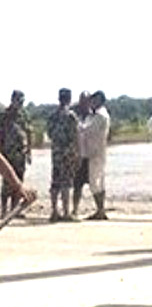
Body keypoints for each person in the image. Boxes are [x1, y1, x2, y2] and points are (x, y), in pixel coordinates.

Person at [0, 90, 33, 215]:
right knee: (7, 182)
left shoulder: (24, 115)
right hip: (7, 153)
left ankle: (14, 210)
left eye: (22, 101)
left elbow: (29, 132)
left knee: (19, 181)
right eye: (18, 101)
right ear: (12, 100)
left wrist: (29, 152)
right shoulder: (3, 115)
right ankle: (4, 210)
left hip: (20, 153)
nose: (20, 104)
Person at [46, 88, 80, 223]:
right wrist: (77, 153)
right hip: (67, 153)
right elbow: (75, 136)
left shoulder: (52, 116)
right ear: (69, 99)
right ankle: (66, 212)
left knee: (55, 181)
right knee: (66, 182)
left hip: (56, 153)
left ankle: (54, 211)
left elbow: (49, 134)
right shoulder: (71, 116)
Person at [79, 91, 111, 221]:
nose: (91, 102)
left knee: (94, 183)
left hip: (95, 153)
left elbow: (86, 130)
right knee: (100, 182)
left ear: (99, 101)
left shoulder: (99, 116)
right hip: (98, 151)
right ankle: (101, 209)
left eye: (94, 100)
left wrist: (78, 123)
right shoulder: (99, 115)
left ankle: (100, 210)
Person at [71, 91, 93, 219]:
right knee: (77, 185)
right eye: (82, 100)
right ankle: (75, 209)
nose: (83, 103)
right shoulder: (74, 116)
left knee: (95, 184)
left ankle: (99, 209)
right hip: (78, 156)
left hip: (91, 156)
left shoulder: (95, 116)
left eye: (86, 100)